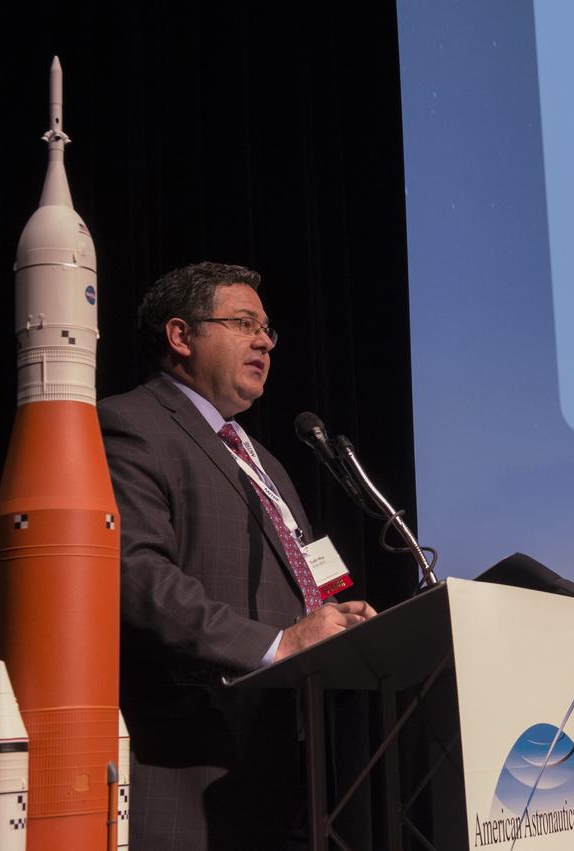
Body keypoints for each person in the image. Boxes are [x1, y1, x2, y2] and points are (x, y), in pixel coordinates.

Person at [98, 261, 375, 849]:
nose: (265, 341)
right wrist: (277, 645)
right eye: (245, 322)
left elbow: (308, 578)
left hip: (289, 765)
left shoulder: (263, 459)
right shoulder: (131, 424)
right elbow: (136, 575)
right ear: (181, 336)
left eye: (269, 330)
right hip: (192, 765)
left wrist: (342, 626)